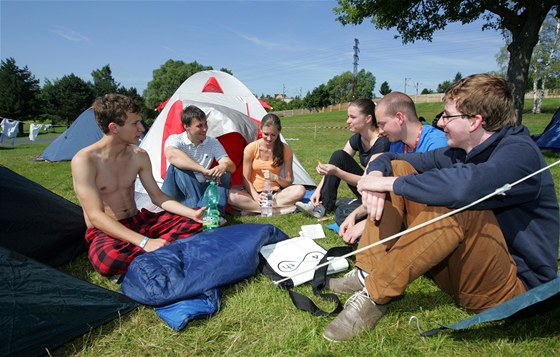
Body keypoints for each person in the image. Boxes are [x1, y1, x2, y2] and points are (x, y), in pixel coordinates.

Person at [323, 73, 559, 342]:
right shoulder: (460, 151)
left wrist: (393, 184)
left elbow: (463, 189)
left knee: (462, 205)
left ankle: (375, 295)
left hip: (514, 288)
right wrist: (377, 175)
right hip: (461, 275)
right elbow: (390, 157)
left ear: (475, 122)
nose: (441, 122)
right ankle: (367, 272)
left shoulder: (519, 153)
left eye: (448, 116)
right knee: (400, 168)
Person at [71, 94, 205, 277]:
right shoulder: (85, 160)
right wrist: (144, 242)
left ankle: (153, 253)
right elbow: (95, 216)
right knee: (109, 260)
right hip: (107, 229)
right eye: (134, 124)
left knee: (195, 224)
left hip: (138, 221)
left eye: (140, 122)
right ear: (114, 127)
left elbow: (158, 197)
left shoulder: (139, 155)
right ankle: (163, 250)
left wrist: (193, 213)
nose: (141, 128)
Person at [338, 92, 448, 244]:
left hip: (427, 216)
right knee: (345, 214)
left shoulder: (436, 144)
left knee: (372, 225)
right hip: (398, 207)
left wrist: (369, 223)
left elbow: (434, 200)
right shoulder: (396, 144)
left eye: (382, 123)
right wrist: (355, 215)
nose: (380, 131)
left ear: (400, 118)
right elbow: (387, 191)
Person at [296, 98, 391, 218]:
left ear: (368, 118)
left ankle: (325, 207)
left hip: (381, 192)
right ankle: (322, 204)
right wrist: (318, 189)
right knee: (338, 155)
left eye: (352, 117)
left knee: (344, 211)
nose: (347, 121)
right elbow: (336, 162)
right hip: (366, 188)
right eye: (348, 116)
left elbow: (367, 181)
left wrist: (337, 171)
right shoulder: (358, 138)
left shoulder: (382, 143)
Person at [161, 105, 235, 221]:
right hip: (177, 190)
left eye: (205, 124)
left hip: (199, 187)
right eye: (199, 126)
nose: (205, 129)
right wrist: (202, 169)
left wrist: (223, 166)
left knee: (224, 174)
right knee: (179, 167)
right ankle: (199, 213)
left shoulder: (212, 142)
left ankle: (206, 212)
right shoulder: (175, 139)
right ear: (186, 127)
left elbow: (231, 166)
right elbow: (172, 155)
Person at [228, 113, 306, 215]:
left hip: (274, 195)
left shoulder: (285, 149)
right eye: (266, 134)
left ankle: (253, 210)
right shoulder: (251, 148)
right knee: (230, 195)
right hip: (253, 193)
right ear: (260, 129)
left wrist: (276, 177)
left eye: (273, 135)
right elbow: (245, 178)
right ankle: (278, 211)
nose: (269, 138)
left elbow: (288, 182)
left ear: (279, 132)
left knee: (300, 190)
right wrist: (256, 196)